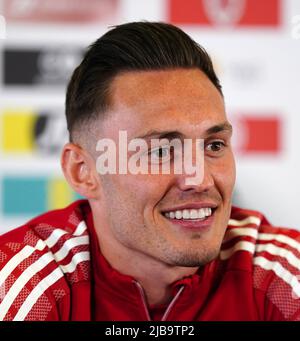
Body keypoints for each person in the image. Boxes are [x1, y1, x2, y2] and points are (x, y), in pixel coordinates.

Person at [0, 21, 299, 321]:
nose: (200, 179)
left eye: (214, 146)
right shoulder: (24, 284)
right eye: (160, 151)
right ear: (83, 172)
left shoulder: (279, 272)